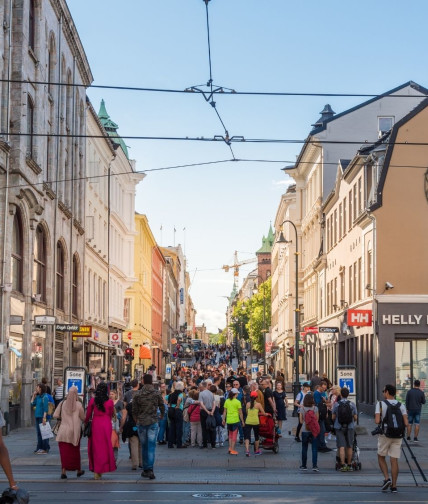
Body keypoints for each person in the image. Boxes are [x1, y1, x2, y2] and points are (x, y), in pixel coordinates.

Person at [375, 384, 408, 493]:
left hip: (385, 434)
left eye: (384, 391)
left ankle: (386, 478)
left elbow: (377, 421)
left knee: (381, 456)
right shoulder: (401, 405)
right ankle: (394, 486)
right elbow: (406, 423)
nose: (383, 392)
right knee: (394, 460)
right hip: (398, 435)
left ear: (387, 392)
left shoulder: (380, 404)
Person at [132, 373, 165, 480]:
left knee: (144, 446)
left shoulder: (137, 394)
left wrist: (136, 419)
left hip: (141, 422)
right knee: (151, 447)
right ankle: (150, 469)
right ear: (151, 382)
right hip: (153, 422)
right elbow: (162, 405)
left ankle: (145, 469)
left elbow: (134, 410)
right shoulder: (156, 393)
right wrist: (162, 415)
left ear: (142, 381)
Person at [84, 382, 116, 480]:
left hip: (96, 424)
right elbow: (111, 414)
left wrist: (85, 423)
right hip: (106, 424)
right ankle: (103, 468)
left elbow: (88, 414)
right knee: (105, 447)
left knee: (96, 447)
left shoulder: (93, 400)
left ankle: (97, 470)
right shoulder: (110, 402)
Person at [53, 386, 85, 479]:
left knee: (64, 452)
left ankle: (63, 471)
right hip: (74, 432)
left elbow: (55, 415)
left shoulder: (62, 403)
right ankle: (78, 470)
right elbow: (83, 417)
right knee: (75, 452)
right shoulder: (78, 405)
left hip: (63, 431)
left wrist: (63, 416)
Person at [331, 387, 358, 472]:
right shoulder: (352, 404)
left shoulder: (337, 404)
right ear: (348, 394)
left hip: (339, 427)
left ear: (341, 395)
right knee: (349, 446)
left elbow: (333, 417)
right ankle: (349, 465)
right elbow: (355, 417)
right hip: (350, 427)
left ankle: (342, 465)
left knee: (341, 446)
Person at [299, 393, 319, 472]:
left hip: (305, 430)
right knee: (314, 449)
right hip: (313, 430)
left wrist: (306, 422)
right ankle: (315, 466)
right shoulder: (315, 408)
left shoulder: (302, 409)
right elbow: (317, 420)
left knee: (304, 448)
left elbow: (300, 421)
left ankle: (304, 465)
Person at [222, 388, 245, 456]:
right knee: (234, 436)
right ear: (235, 394)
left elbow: (224, 411)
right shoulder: (238, 402)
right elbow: (240, 413)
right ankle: (232, 449)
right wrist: (242, 421)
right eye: (237, 393)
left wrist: (223, 419)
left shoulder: (227, 401)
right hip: (235, 420)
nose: (238, 394)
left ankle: (230, 448)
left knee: (230, 435)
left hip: (229, 420)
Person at [244, 391, 265, 456]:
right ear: (256, 397)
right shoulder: (258, 404)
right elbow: (263, 413)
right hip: (255, 422)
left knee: (247, 437)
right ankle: (256, 450)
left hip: (248, 421)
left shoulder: (247, 404)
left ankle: (247, 451)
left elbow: (247, 412)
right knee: (256, 437)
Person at [30, 383, 49, 454]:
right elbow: (32, 404)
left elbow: (45, 409)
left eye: (37, 387)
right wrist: (33, 396)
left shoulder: (45, 397)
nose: (36, 389)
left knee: (44, 433)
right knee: (39, 433)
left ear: (40, 388)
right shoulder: (38, 397)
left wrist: (44, 419)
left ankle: (45, 448)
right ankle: (39, 447)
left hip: (42, 417)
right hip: (37, 416)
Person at [167, 381, 186, 448]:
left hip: (171, 410)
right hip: (178, 411)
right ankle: (179, 444)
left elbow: (166, 399)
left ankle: (170, 443)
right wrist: (178, 406)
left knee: (172, 427)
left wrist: (169, 405)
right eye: (183, 387)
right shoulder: (181, 394)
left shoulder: (171, 394)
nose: (183, 388)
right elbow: (179, 399)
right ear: (181, 388)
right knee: (179, 428)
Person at [198, 380, 216, 449]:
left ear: (203, 386)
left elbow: (201, 404)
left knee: (204, 428)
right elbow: (214, 403)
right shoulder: (211, 393)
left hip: (204, 411)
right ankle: (213, 444)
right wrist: (212, 411)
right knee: (212, 427)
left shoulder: (201, 393)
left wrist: (206, 411)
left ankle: (205, 444)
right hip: (211, 410)